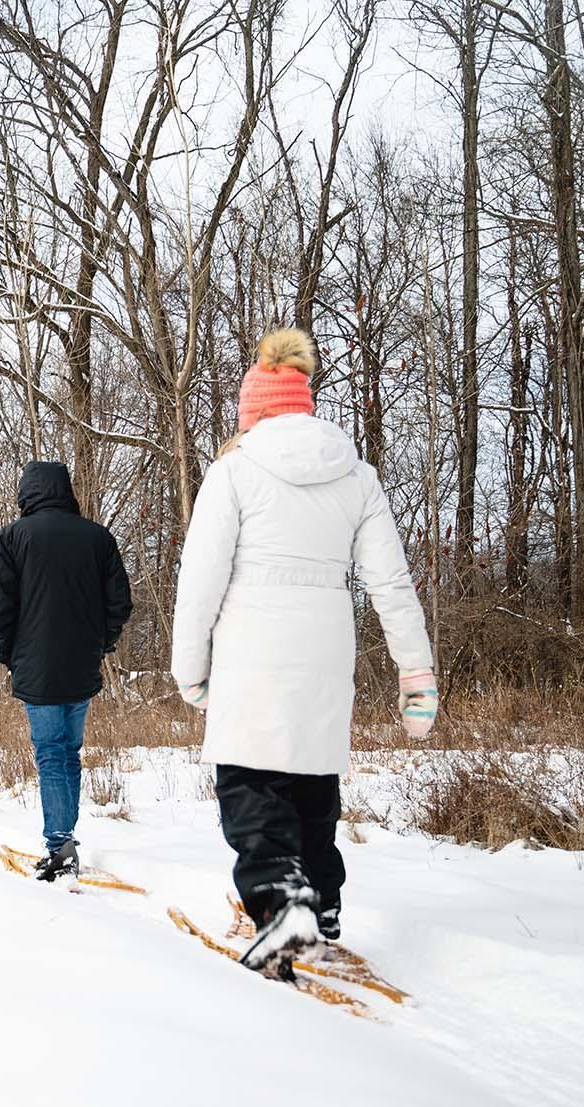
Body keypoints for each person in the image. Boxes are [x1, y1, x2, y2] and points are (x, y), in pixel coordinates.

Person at [171, 327, 436, 978]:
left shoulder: (234, 469)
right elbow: (391, 583)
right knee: (310, 776)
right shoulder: (357, 475)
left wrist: (190, 669)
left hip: (252, 648)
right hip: (324, 648)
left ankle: (284, 900)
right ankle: (323, 901)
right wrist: (415, 672)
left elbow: (200, 580)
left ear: (252, 411)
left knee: (250, 779)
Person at [0, 462, 132, 882]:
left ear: (27, 492)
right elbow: (119, 600)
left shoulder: (13, 537)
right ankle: (65, 839)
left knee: (51, 752)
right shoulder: (97, 538)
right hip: (82, 660)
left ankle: (60, 845)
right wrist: (101, 642)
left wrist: (11, 646)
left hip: (36, 661)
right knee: (69, 750)